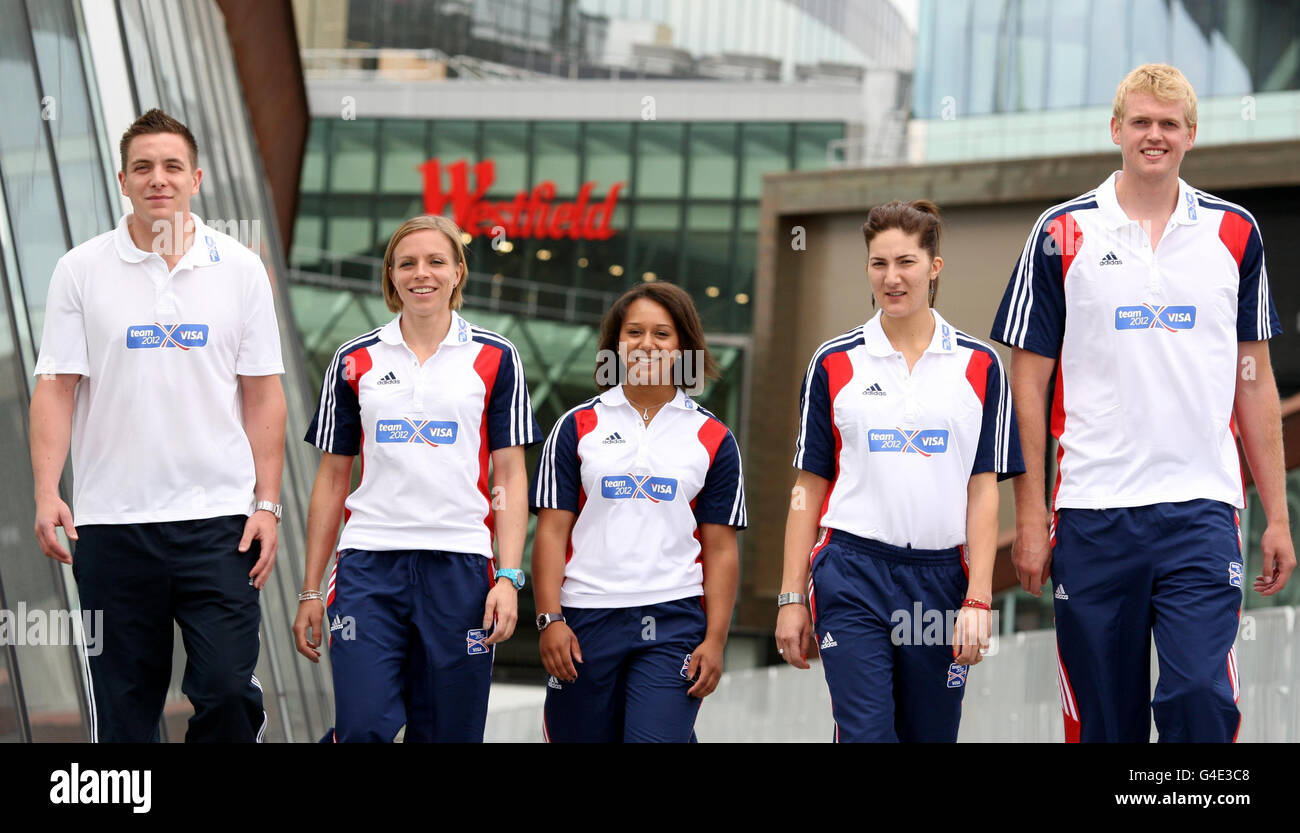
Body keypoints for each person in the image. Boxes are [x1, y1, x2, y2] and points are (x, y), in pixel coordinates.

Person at [991, 64, 1294, 742]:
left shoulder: (1235, 233)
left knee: (1198, 694)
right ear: (1116, 130)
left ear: (1191, 134)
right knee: (1104, 720)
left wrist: (1277, 515)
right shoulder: (1060, 232)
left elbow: (1255, 380)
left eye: (1168, 124)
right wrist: (1031, 513)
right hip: (1092, 513)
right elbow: (1027, 383)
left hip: (1201, 508)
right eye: (1141, 122)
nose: (1153, 135)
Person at [30, 109, 285, 742]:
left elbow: (262, 394)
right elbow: (57, 387)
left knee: (228, 691)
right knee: (123, 709)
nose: (158, 179)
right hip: (113, 525)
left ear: (195, 178)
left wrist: (268, 502)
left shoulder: (241, 270)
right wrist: (46, 491)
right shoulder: (80, 269)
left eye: (172, 166)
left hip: (219, 524)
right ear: (123, 179)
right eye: (143, 167)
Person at [774, 200, 1022, 742]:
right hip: (852, 572)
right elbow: (806, 489)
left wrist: (978, 597)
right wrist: (792, 597)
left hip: (941, 580)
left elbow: (983, 493)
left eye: (906, 262)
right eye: (878, 263)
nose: (892, 278)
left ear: (935, 266)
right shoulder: (833, 363)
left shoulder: (979, 366)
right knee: (866, 734)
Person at [294, 214, 538, 742]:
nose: (421, 273)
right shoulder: (353, 360)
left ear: (457, 273)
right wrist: (310, 590)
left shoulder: (496, 357)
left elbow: (511, 475)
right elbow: (333, 481)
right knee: (363, 729)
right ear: (391, 275)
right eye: (407, 263)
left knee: (450, 732)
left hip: (462, 568)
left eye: (435, 261)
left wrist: (508, 577)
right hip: (368, 568)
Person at [530, 281, 745, 742]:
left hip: (674, 620)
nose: (647, 344)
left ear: (684, 346)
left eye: (662, 334)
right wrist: (550, 619)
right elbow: (550, 532)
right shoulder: (576, 427)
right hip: (585, 620)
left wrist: (715, 639)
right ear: (615, 344)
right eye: (634, 332)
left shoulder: (713, 438)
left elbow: (721, 549)